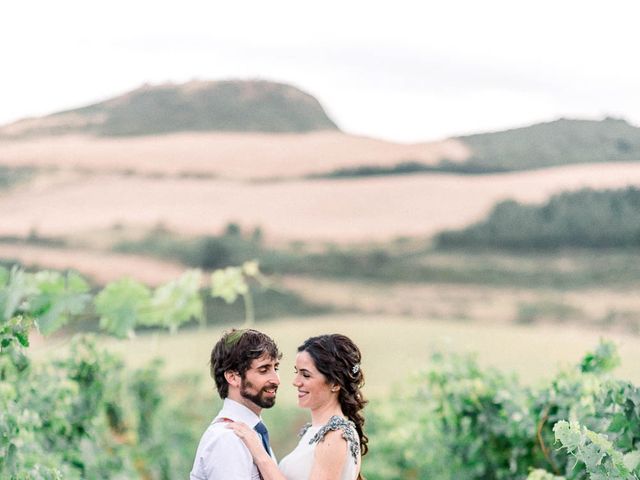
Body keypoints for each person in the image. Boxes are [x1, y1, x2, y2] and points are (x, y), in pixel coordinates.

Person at [228, 333, 368, 480]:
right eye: (297, 372)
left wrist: (259, 452)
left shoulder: (335, 436)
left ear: (335, 384)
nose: (296, 382)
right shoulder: (316, 431)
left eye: (306, 375)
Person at [190, 328, 282, 480]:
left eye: (275, 368)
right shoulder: (228, 439)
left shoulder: (252, 434)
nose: (276, 380)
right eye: (264, 370)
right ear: (233, 377)